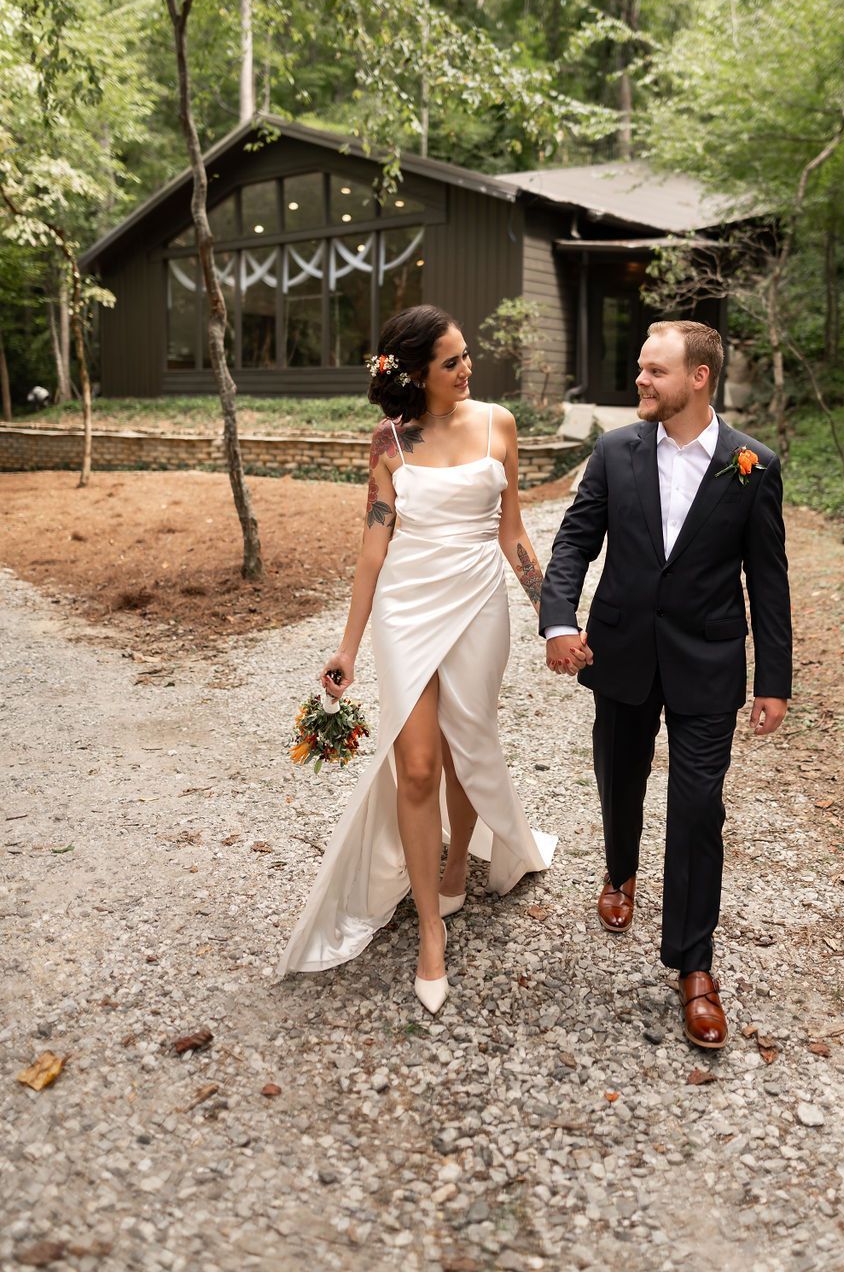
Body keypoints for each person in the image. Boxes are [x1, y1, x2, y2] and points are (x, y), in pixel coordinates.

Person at [277, 305, 555, 1012]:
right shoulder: (389, 441)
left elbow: (513, 532)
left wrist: (554, 615)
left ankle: (461, 856)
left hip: (477, 605)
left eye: (466, 356)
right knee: (419, 764)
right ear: (417, 373)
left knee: (468, 746)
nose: (468, 369)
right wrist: (346, 646)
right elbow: (374, 547)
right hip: (405, 609)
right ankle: (430, 928)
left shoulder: (498, 424)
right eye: (452, 362)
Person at [540, 320, 791, 1049]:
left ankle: (694, 966)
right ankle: (620, 872)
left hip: (708, 662)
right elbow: (576, 542)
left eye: (655, 372)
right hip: (619, 652)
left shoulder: (753, 465)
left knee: (698, 808)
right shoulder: (616, 450)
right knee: (619, 777)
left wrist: (773, 677)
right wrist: (559, 620)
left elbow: (768, 581)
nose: (641, 382)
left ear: (699, 378)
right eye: (642, 371)